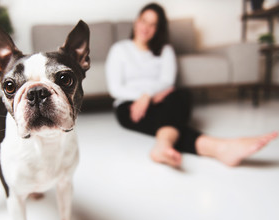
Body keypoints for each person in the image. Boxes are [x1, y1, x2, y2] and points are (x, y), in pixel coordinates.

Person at [105, 3, 277, 168]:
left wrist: (147, 96)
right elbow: (115, 88)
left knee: (182, 95)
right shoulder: (119, 49)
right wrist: (142, 98)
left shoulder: (165, 50)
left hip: (161, 100)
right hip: (130, 106)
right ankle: (220, 147)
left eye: (153, 24)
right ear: (136, 21)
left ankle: (163, 146)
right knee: (172, 120)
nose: (146, 27)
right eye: (144, 21)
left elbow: (167, 82)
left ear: (158, 29)